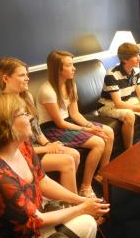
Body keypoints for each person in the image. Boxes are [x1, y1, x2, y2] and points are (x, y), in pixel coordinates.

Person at [0, 93, 110, 238]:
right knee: (86, 222)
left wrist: (81, 200)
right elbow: (36, 219)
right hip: (20, 230)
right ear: (6, 125)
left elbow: (42, 180)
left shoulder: (23, 145)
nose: (30, 117)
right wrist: (83, 209)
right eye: (24, 114)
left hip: (36, 211)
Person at [0, 57, 80, 193]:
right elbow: (13, 146)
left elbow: (36, 129)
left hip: (37, 147)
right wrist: (46, 149)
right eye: (22, 75)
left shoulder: (27, 96)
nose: (27, 78)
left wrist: (48, 144)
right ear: (6, 78)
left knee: (74, 154)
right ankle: (73, 204)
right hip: (21, 154)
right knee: (67, 161)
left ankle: (63, 197)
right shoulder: (2, 107)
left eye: (27, 74)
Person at [37, 50, 114, 198]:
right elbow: (59, 123)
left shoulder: (70, 84)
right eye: (69, 65)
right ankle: (85, 187)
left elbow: (75, 114)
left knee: (108, 132)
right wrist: (88, 130)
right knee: (98, 142)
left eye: (73, 64)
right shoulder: (47, 90)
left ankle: (102, 174)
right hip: (51, 127)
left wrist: (90, 126)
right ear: (58, 69)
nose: (74, 68)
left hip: (68, 121)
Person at [98, 42, 140, 149]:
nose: (139, 58)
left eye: (139, 55)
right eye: (135, 56)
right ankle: (129, 149)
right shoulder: (111, 74)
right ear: (125, 60)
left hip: (126, 101)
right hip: (108, 105)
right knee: (129, 115)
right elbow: (118, 104)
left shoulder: (136, 71)